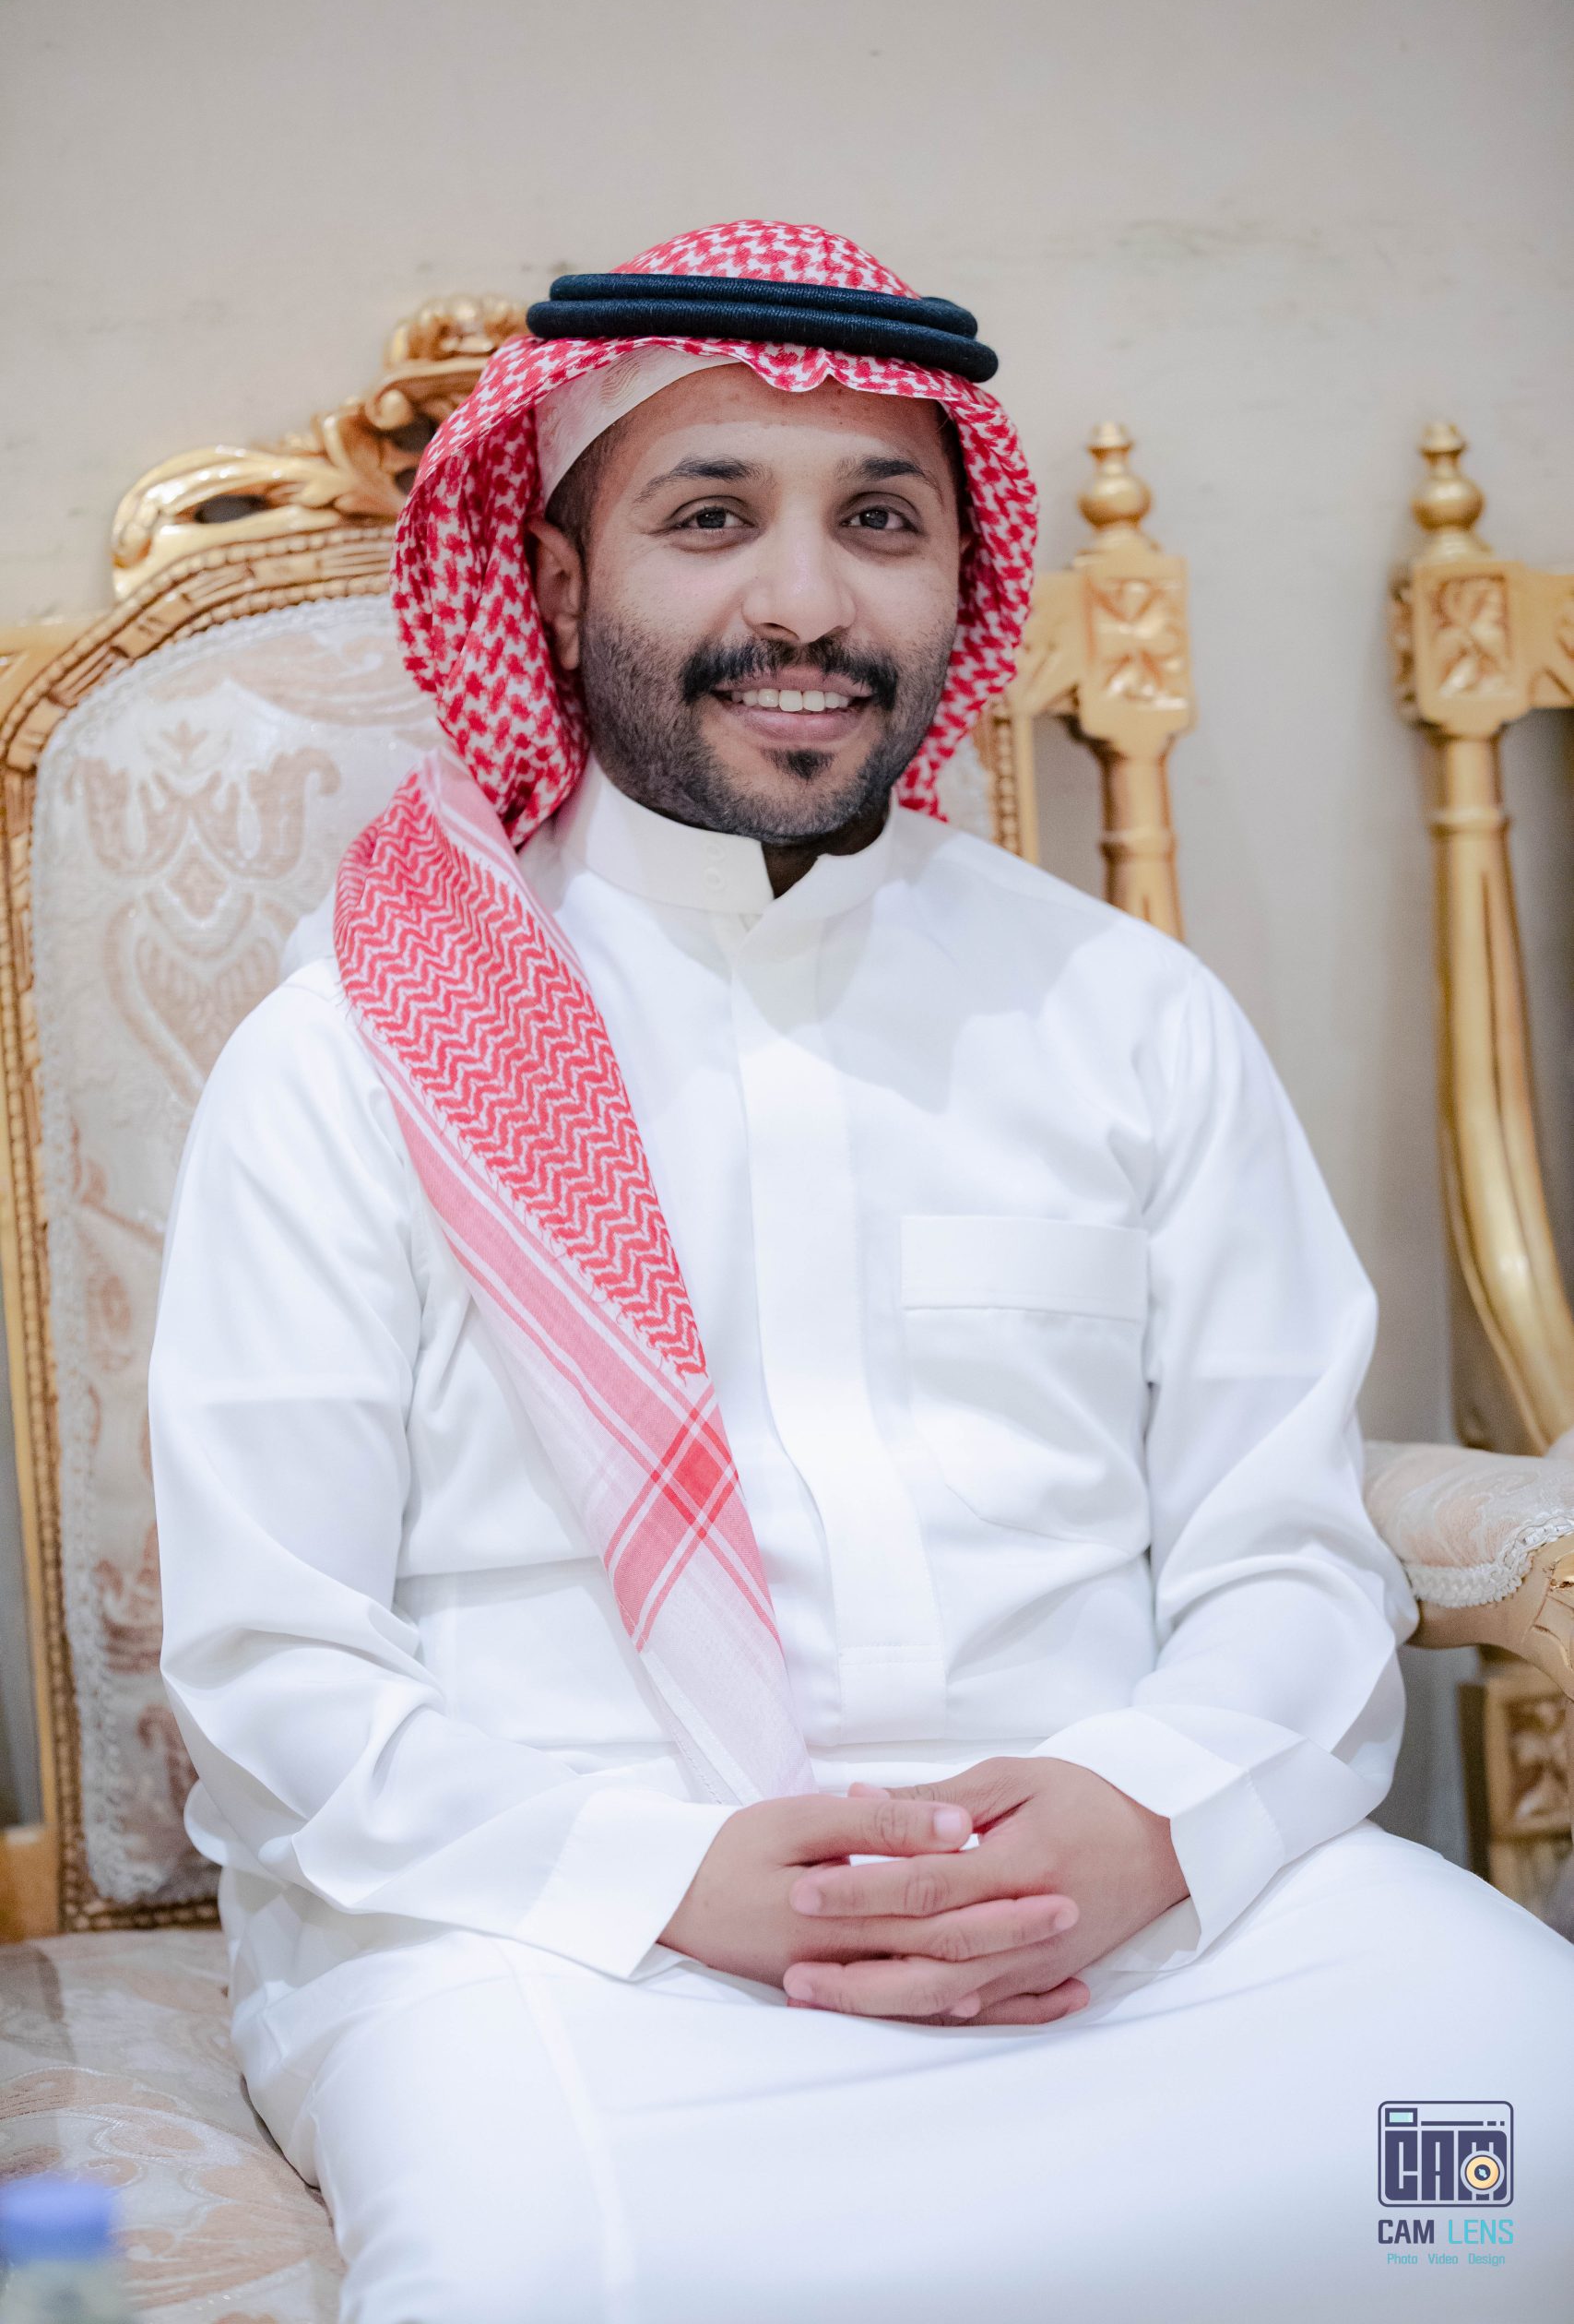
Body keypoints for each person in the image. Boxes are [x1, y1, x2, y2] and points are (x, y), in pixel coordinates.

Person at [148, 221, 1574, 2324]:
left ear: (958, 581)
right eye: (709, 516)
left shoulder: (1123, 1017)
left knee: (1519, 2157)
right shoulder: (358, 1055)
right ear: (555, 585)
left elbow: (1287, 1549)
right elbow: (275, 1659)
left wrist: (1148, 1816)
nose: (805, 602)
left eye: (878, 521)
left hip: (1152, 1935)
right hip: (567, 1939)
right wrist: (679, 1878)